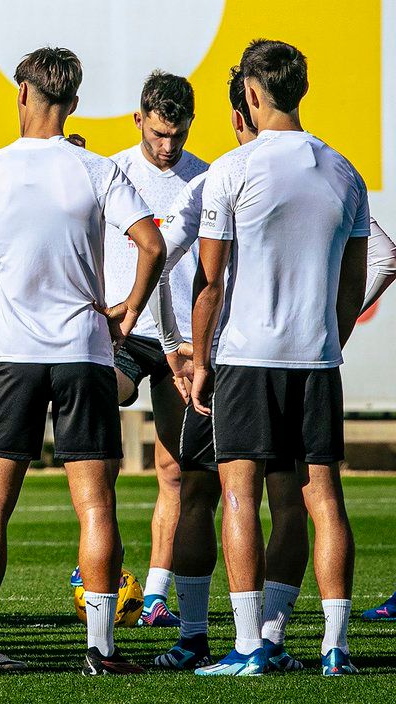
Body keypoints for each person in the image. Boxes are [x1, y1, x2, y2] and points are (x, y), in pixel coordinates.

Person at [149, 64, 396, 672]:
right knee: (320, 502)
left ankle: (245, 646)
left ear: (252, 95)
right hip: (314, 359)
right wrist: (328, 338)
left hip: (245, 358)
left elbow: (208, 284)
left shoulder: (232, 169)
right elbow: (356, 276)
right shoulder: (346, 172)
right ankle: (331, 646)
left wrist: (195, 358)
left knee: (237, 495)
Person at [0, 46, 163, 677]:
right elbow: (150, 243)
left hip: (13, 352)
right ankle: (101, 650)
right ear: (72, 102)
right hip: (84, 351)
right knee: (95, 504)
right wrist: (126, 310)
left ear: (21, 93)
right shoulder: (95, 169)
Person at [102, 71, 208, 627]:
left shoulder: (209, 179)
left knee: (175, 468)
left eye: (178, 135)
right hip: (124, 331)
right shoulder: (110, 171)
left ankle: (158, 593)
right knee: (96, 440)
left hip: (183, 341)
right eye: (158, 134)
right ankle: (95, 570)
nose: (167, 148)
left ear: (191, 124)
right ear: (139, 120)